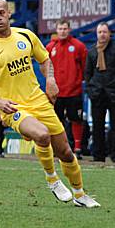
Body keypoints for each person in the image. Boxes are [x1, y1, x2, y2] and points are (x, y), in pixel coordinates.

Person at [0, 0, 99, 208]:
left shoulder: (26, 36)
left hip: (38, 100)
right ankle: (52, 179)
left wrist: (50, 79)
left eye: (2, 12)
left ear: (9, 12)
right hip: (12, 107)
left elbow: (45, 59)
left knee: (65, 151)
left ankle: (80, 194)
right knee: (42, 134)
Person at [85, 22, 115, 163]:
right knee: (97, 126)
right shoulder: (92, 51)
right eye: (100, 32)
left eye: (105, 32)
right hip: (97, 93)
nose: (102, 35)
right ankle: (98, 156)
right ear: (96, 34)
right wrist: (91, 90)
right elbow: (88, 73)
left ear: (109, 33)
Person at [45, 20, 88, 159]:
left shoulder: (78, 46)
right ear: (56, 30)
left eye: (65, 28)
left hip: (74, 91)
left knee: (76, 119)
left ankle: (77, 148)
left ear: (69, 29)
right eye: (60, 28)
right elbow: (45, 67)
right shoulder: (50, 47)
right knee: (56, 121)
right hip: (56, 93)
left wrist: (77, 81)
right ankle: (58, 148)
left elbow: (84, 66)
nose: (62, 31)